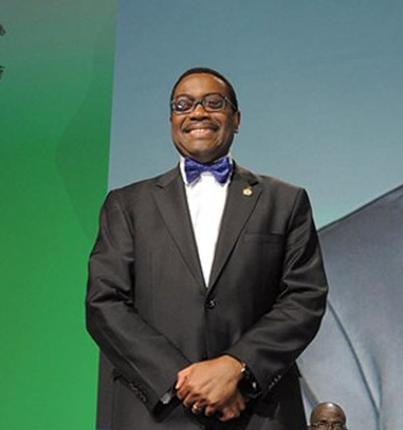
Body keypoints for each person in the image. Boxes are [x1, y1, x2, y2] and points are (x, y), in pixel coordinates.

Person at [85, 67, 328, 429]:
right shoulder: (126, 205)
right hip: (156, 411)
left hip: (255, 410)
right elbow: (104, 303)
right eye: (183, 105)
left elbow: (304, 298)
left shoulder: (285, 201)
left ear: (236, 118)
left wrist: (236, 367)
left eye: (213, 102)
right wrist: (180, 380)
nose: (197, 112)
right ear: (171, 120)